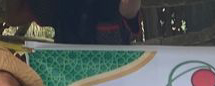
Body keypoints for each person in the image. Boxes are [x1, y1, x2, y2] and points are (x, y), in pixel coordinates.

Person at [9, 0, 143, 44]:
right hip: (71, 81)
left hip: (116, 77)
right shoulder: (55, 4)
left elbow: (129, 10)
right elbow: (14, 17)